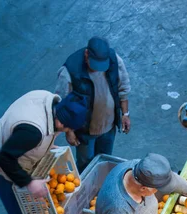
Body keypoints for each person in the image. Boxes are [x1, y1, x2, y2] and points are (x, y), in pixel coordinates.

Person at [0, 91, 88, 214]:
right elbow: (4, 158)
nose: (69, 132)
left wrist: (48, 145)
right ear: (61, 122)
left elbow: (46, 130)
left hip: (15, 144)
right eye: (68, 129)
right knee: (17, 212)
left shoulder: (50, 101)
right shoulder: (34, 133)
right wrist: (29, 182)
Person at [55, 36, 131, 172]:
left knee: (106, 159)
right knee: (86, 165)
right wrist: (69, 132)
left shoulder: (115, 61)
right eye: (95, 65)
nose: (98, 70)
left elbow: (123, 88)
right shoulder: (70, 71)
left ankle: (100, 188)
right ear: (86, 55)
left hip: (109, 125)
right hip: (85, 130)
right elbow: (62, 106)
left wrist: (125, 114)